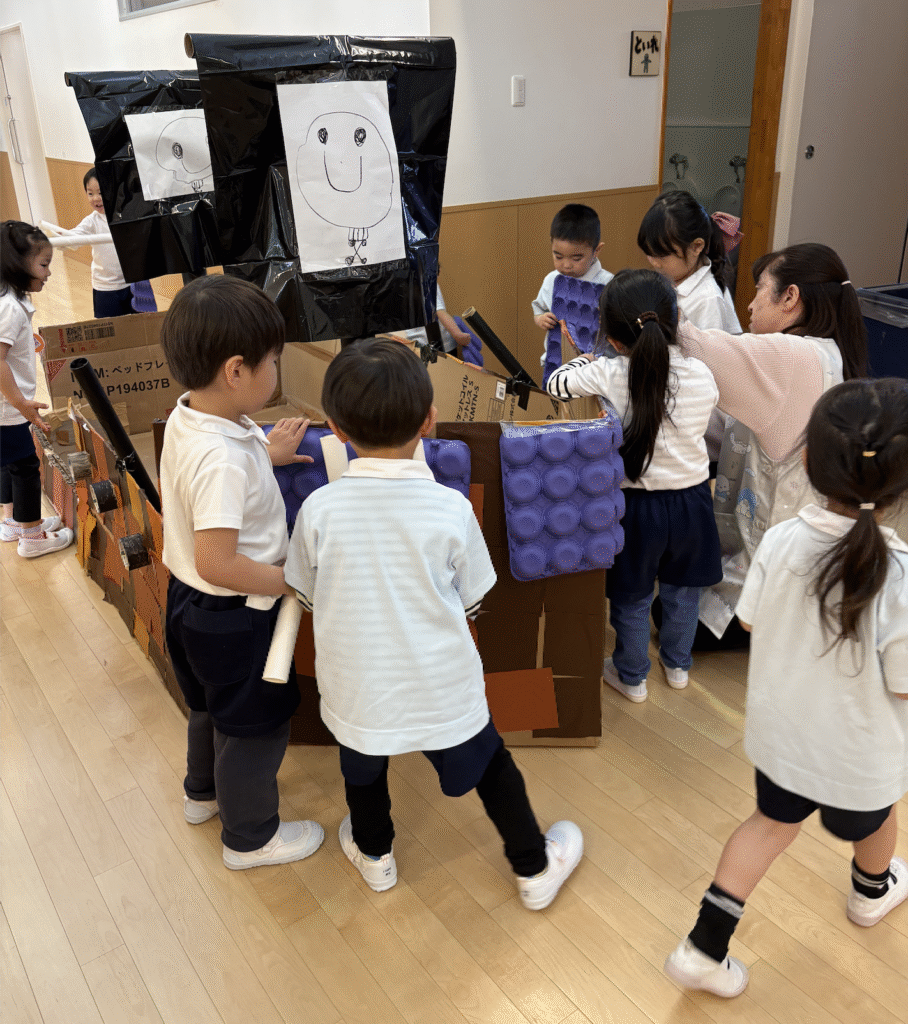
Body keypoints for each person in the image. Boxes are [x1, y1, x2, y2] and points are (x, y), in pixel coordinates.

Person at [284, 338, 583, 907]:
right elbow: (473, 599)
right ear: (429, 420)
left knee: (362, 768)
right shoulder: (451, 508)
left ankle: (376, 857)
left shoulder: (319, 509)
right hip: (442, 686)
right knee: (492, 767)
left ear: (335, 429)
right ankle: (534, 867)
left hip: (358, 687)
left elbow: (305, 593)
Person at [664, 377, 908, 998]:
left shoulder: (780, 539)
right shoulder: (900, 574)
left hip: (782, 742)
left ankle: (702, 949)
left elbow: (748, 621)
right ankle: (870, 894)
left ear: (807, 461)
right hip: (860, 758)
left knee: (768, 826)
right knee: (879, 818)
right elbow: (904, 685)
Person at [159, 274, 324, 870]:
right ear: (235, 371)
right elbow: (219, 562)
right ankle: (250, 838)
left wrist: (265, 454)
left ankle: (201, 794)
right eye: (273, 361)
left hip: (188, 604)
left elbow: (209, 477)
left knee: (210, 707)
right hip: (235, 612)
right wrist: (294, 581)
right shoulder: (223, 459)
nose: (276, 370)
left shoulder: (191, 417)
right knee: (253, 726)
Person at [678, 242, 868, 645]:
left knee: (670, 615)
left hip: (768, 576)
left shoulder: (791, 354)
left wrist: (647, 303)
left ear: (790, 297)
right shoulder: (826, 353)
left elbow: (692, 345)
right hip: (803, 559)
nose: (750, 304)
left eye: (760, 289)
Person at [547, 269, 721, 700]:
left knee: (633, 595)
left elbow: (555, 385)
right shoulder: (702, 374)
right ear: (674, 321)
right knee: (684, 593)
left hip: (635, 508)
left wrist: (586, 360)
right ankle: (678, 666)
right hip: (693, 501)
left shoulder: (608, 373)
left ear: (614, 338)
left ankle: (632, 676)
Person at [0, 220, 73, 559]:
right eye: (43, 265)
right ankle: (32, 536)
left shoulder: (8, 299)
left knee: (10, 464)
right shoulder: (10, 309)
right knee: (26, 467)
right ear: (17, 264)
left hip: (7, 406)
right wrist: (20, 402)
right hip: (7, 408)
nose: (48, 273)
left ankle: (13, 521)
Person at [638, 191, 741, 334]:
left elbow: (710, 348)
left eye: (662, 256)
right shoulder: (675, 276)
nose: (655, 263)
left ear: (696, 246)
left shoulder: (708, 299)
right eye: (650, 254)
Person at [532, 204, 614, 378]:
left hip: (594, 371)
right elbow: (538, 309)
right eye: (558, 256)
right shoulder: (551, 280)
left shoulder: (608, 283)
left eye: (577, 258)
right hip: (557, 365)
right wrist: (541, 319)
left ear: (596, 250)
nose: (566, 265)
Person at [61, 168, 155, 319]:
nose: (96, 199)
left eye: (101, 192)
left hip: (135, 283)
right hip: (106, 287)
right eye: (90, 194)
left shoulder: (128, 214)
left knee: (143, 324)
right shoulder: (91, 221)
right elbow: (74, 238)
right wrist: (62, 237)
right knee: (111, 328)